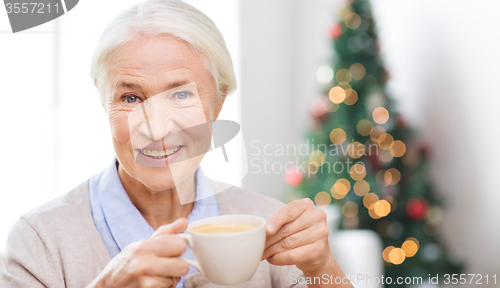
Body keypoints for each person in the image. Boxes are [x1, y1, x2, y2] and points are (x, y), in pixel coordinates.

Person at [1, 0, 353, 287]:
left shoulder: (265, 223)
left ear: (218, 103)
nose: (156, 129)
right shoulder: (39, 242)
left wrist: (323, 267)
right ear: (103, 104)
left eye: (181, 94)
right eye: (130, 98)